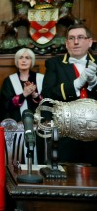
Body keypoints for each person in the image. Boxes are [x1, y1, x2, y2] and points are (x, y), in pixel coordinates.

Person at [42, 23, 97, 166]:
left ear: (89, 41)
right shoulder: (54, 64)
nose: (76, 42)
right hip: (65, 134)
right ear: (66, 44)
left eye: (80, 37)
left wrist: (93, 84)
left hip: (95, 133)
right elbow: (47, 94)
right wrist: (76, 84)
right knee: (64, 178)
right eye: (71, 38)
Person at [0, 48, 44, 164]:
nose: (24, 60)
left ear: (32, 61)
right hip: (17, 129)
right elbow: (5, 105)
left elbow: (47, 103)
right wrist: (24, 94)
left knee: (38, 158)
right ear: (16, 61)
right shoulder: (9, 81)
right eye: (21, 57)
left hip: (38, 128)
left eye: (27, 58)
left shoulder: (40, 79)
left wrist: (34, 95)